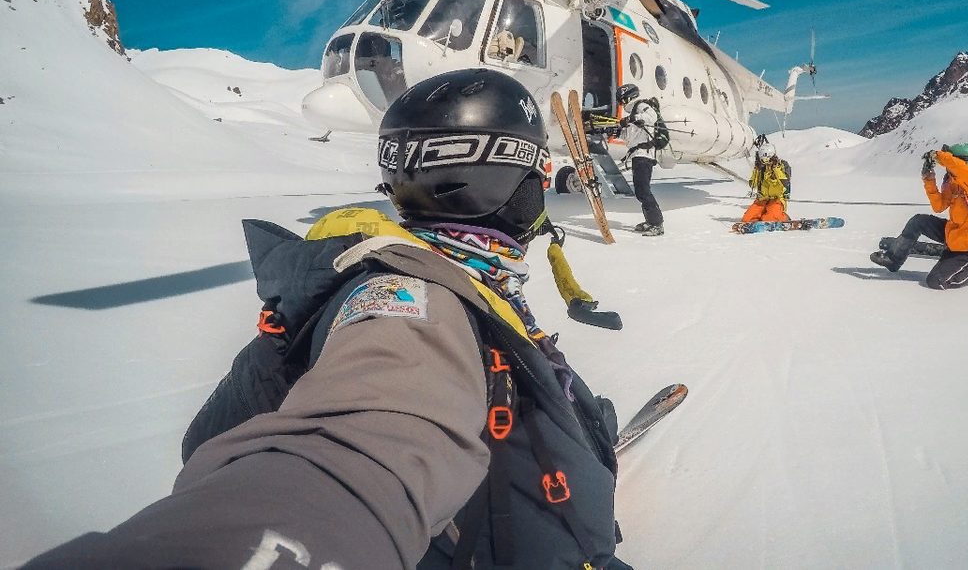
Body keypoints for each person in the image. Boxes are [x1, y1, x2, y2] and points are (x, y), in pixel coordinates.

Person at [22, 68, 625, 570]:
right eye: (536, 180)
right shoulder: (410, 298)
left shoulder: (441, 271)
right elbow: (366, 443)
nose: (542, 195)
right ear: (505, 183)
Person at [870, 143, 968, 289]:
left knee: (936, 281)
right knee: (918, 221)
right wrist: (929, 181)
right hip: (954, 236)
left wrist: (939, 156)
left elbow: (961, 169)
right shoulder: (957, 183)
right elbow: (939, 206)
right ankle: (893, 259)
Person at [616, 83, 664, 236]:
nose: (622, 104)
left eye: (622, 101)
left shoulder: (641, 105)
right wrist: (618, 131)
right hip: (637, 155)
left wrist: (635, 118)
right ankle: (650, 221)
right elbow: (630, 136)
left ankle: (657, 224)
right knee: (640, 191)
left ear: (628, 97)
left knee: (643, 190)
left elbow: (652, 117)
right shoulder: (632, 114)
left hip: (644, 155)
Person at [742, 139, 791, 223]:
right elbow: (752, 184)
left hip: (776, 199)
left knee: (768, 219)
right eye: (763, 160)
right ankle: (764, 214)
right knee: (747, 219)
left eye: (767, 159)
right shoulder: (760, 168)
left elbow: (785, 183)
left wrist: (776, 168)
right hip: (762, 199)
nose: (765, 162)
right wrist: (756, 170)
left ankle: (784, 218)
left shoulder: (783, 165)